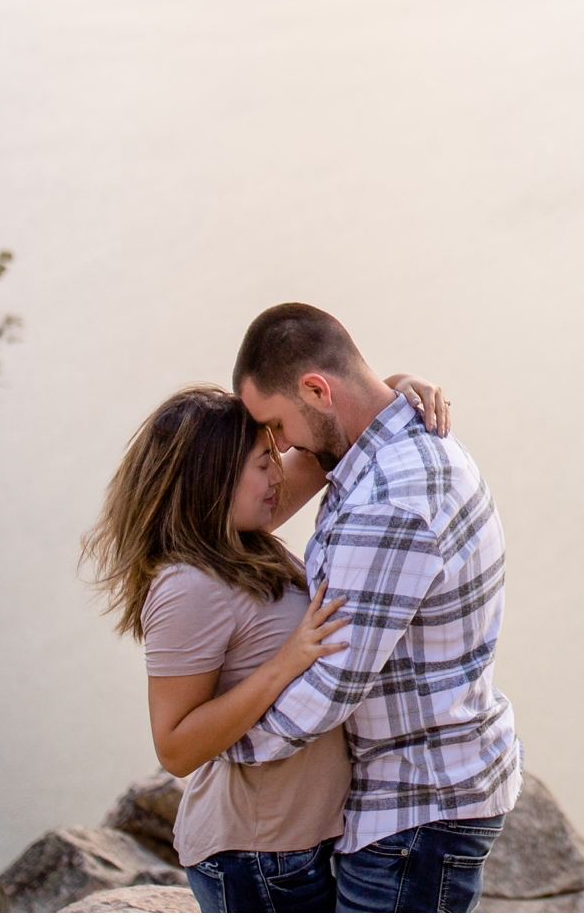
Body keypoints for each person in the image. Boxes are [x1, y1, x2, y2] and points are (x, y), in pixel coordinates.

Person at [81, 380, 448, 911]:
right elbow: (175, 747)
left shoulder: (240, 535)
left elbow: (330, 444)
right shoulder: (187, 586)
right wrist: (285, 664)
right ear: (213, 480)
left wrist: (390, 388)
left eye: (275, 456)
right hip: (254, 855)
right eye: (262, 463)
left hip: (303, 840)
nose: (278, 473)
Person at [225, 302, 521, 914]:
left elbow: (331, 684)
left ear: (315, 389)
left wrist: (225, 739)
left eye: (277, 427)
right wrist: (388, 388)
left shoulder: (389, 501)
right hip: (427, 800)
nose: (278, 449)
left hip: (415, 812)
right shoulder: (398, 449)